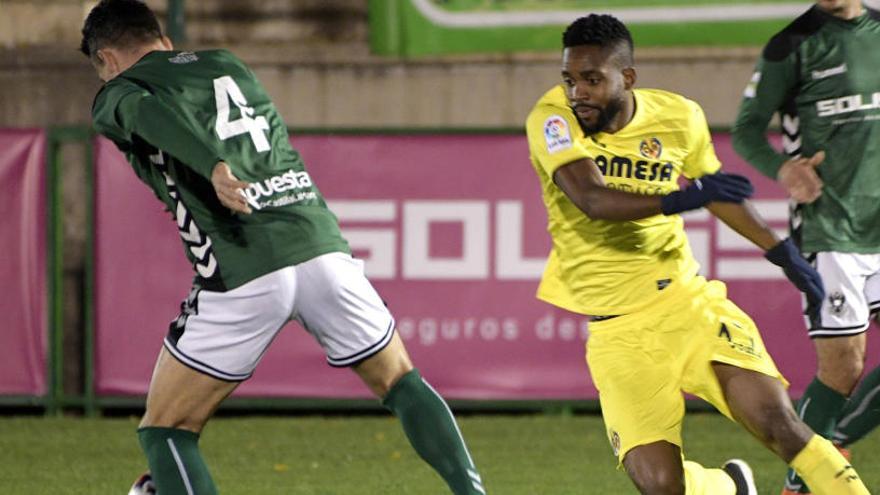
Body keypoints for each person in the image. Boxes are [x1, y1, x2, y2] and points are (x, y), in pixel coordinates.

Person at [79, 2, 486, 494]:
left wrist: (211, 166)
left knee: (166, 429)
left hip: (243, 264)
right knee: (402, 382)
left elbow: (145, 113)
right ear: (162, 39)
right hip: (320, 248)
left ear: (105, 59)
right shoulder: (226, 63)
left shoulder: (117, 93)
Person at [525, 13, 870, 495]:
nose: (577, 92)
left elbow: (718, 192)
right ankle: (727, 486)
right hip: (616, 332)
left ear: (626, 78)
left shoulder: (678, 117)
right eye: (569, 79)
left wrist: (784, 254)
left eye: (591, 79)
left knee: (780, 425)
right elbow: (592, 199)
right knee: (663, 487)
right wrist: (680, 199)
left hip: (689, 308)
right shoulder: (553, 118)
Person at [732, 1, 880, 493]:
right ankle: (800, 484)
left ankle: (830, 442)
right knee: (843, 365)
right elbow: (747, 130)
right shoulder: (791, 45)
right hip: (829, 227)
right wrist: (785, 169)